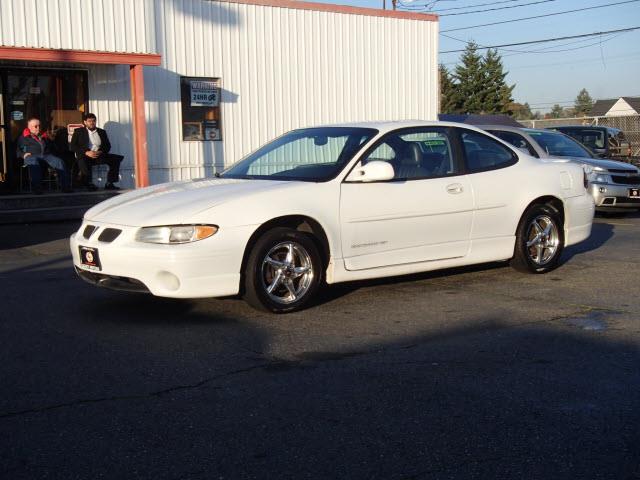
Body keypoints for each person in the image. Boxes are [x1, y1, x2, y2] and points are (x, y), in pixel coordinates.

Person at [16, 118, 71, 194]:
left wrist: (51, 140)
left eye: (39, 126)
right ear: (29, 127)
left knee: (59, 161)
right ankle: (37, 188)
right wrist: (23, 154)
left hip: (45, 155)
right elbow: (18, 150)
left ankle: (65, 186)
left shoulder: (44, 135)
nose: (38, 128)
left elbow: (52, 147)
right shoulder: (23, 137)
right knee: (34, 162)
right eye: (36, 126)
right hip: (31, 156)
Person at [70, 113, 124, 191]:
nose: (92, 123)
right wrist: (86, 152)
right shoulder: (79, 132)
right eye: (89, 121)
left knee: (115, 159)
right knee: (82, 161)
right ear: (85, 122)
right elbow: (73, 146)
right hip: (84, 155)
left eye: (94, 121)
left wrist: (100, 151)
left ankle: (109, 183)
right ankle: (88, 183)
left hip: (98, 155)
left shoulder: (102, 132)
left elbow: (107, 146)